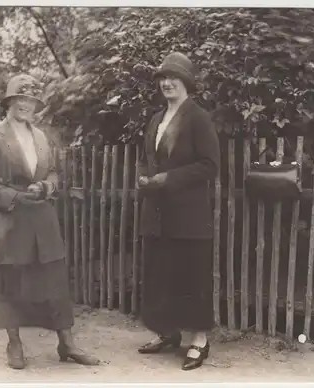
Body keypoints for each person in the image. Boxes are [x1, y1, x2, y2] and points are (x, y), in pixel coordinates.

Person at [0, 74, 100, 369]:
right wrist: (14, 197)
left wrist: (45, 188)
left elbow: (53, 173)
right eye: (20, 99)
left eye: (30, 100)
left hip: (41, 219)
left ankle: (67, 344)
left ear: (35, 105)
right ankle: (14, 344)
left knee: (53, 280)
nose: (25, 105)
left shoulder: (41, 137)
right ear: (10, 102)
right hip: (8, 221)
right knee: (10, 282)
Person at [136, 52, 220, 371]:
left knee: (192, 276)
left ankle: (199, 340)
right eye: (162, 78)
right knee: (161, 275)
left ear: (186, 82)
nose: (166, 83)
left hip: (188, 215)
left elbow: (209, 165)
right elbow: (147, 158)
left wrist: (169, 178)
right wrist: (144, 177)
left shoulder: (198, 118)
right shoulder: (156, 119)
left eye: (173, 77)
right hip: (157, 213)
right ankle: (168, 333)